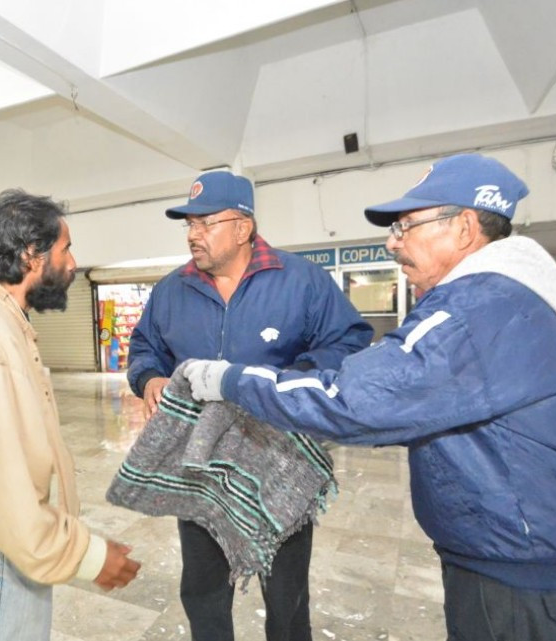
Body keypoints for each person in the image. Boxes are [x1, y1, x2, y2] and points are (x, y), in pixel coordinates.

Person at [182, 154, 556, 641]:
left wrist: (228, 380)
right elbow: (407, 405)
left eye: (406, 225)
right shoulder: (494, 302)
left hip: (522, 580)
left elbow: (352, 399)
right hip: (516, 558)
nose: (393, 241)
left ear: (463, 228)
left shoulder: (477, 310)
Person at [126, 170, 373, 641]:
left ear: (243, 228)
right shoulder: (170, 290)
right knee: (202, 592)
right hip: (199, 467)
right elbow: (144, 347)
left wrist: (284, 384)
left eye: (205, 223)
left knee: (286, 596)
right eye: (189, 224)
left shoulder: (302, 282)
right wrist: (150, 377)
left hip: (279, 468)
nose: (193, 234)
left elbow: (350, 344)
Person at [0, 189, 140, 641]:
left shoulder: (1, 323)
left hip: (6, 554)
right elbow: (1, 492)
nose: (73, 261)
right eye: (65, 248)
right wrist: (88, 557)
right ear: (31, 255)